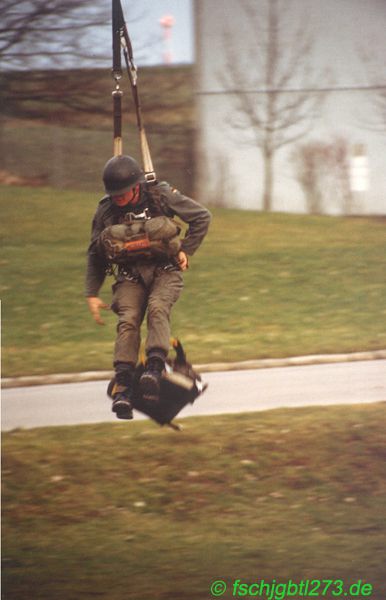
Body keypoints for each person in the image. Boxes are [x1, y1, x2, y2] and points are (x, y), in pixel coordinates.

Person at [85, 155, 211, 420]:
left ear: (136, 186)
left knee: (157, 308)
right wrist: (92, 293)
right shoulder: (106, 210)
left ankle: (154, 370)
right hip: (130, 276)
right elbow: (96, 253)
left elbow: (202, 217)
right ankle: (123, 388)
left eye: (122, 193)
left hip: (165, 271)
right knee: (128, 319)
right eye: (114, 194)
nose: (118, 198)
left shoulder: (160, 196)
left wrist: (186, 250)